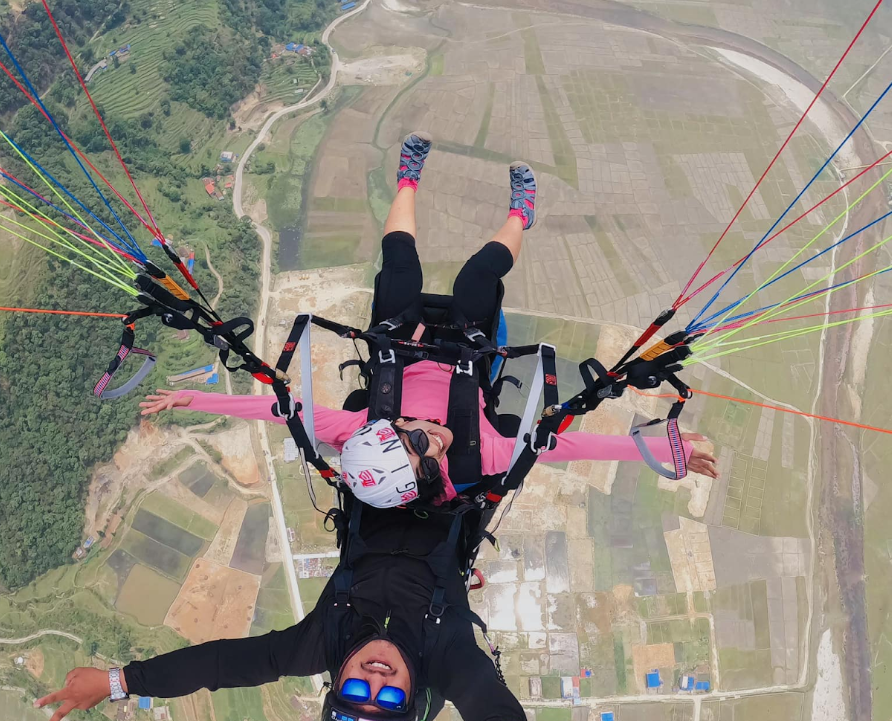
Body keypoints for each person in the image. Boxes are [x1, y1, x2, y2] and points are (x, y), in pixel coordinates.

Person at [139, 133, 719, 502]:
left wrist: (192, 399)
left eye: (406, 436)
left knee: (398, 264)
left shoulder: (358, 436)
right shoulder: (477, 454)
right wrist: (668, 452)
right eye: (428, 452)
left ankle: (407, 179)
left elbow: (280, 409)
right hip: (468, 349)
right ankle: (521, 216)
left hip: (400, 343)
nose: (430, 436)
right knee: (476, 277)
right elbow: (567, 447)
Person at [35, 498, 552, 721]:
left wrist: (118, 682)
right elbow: (487, 705)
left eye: (355, 694)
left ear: (336, 685)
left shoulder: (321, 644)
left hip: (379, 485)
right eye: (388, 699)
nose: (374, 681)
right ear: (413, 698)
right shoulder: (447, 660)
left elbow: (218, 666)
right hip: (458, 489)